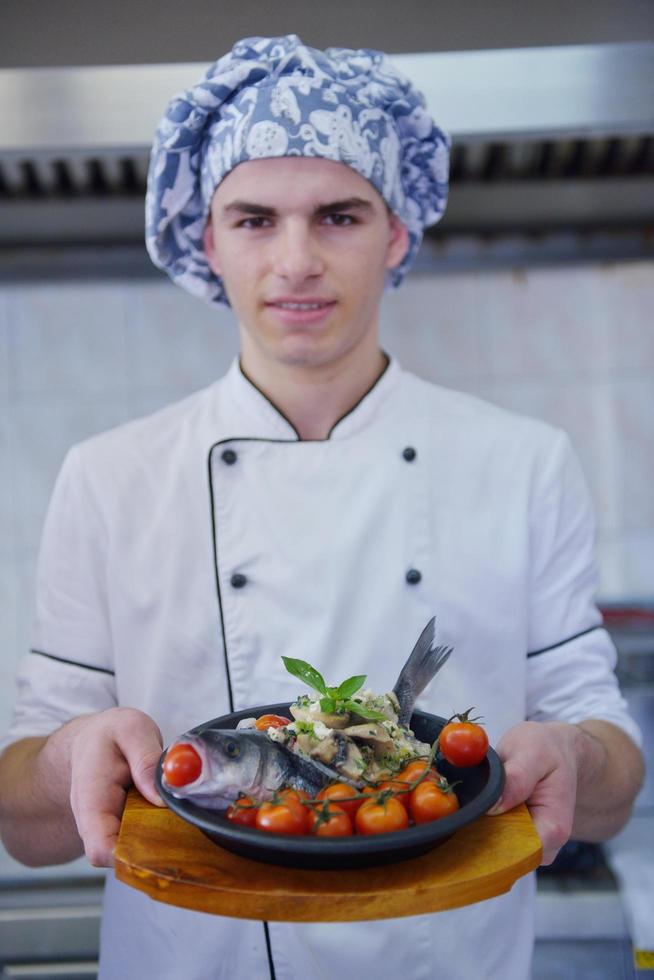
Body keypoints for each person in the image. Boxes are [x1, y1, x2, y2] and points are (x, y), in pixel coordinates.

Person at [0, 34, 644, 980]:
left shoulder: (523, 463)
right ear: (205, 238)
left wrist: (582, 762)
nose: (296, 261)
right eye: (254, 219)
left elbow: (612, 777)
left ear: (395, 233)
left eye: (338, 215)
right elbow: (26, 828)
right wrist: (64, 764)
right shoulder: (109, 477)